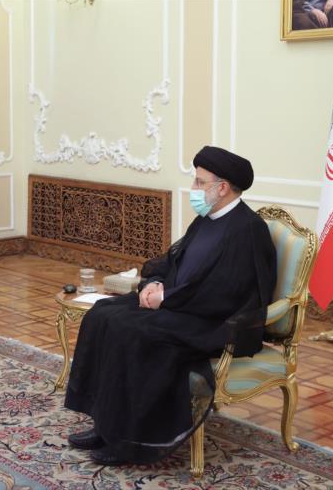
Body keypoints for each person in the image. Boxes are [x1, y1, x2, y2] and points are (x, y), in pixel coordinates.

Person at [64, 146, 277, 466]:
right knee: (102, 314)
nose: (194, 189)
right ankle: (106, 425)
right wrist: (153, 284)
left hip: (215, 321)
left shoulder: (247, 230)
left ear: (222, 187)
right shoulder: (207, 219)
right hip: (180, 305)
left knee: (133, 331)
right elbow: (172, 260)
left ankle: (131, 441)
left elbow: (225, 294)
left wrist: (167, 298)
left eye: (198, 182)